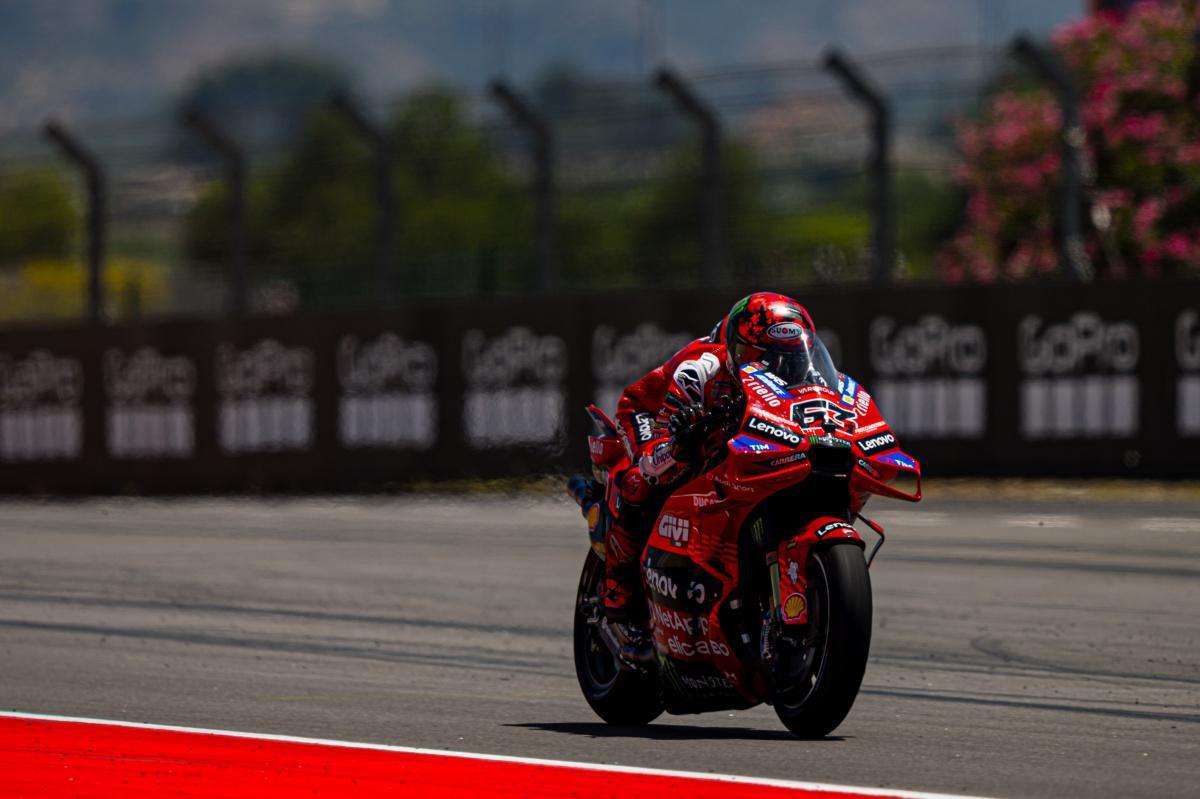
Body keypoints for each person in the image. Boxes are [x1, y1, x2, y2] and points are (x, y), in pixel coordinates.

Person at [602, 291, 824, 661]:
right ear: (738, 350)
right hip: (649, 415)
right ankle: (618, 604)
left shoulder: (809, 375)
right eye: (766, 357)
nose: (781, 366)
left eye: (793, 356)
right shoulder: (701, 368)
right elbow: (661, 445)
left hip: (731, 439)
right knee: (651, 476)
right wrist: (678, 442)